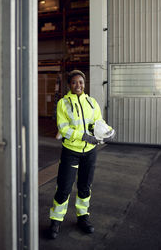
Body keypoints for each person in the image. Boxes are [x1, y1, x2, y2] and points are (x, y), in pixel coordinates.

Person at [49, 70, 114, 239]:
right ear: (69, 85)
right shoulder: (64, 103)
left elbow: (98, 122)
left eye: (81, 82)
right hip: (71, 151)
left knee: (85, 186)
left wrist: (108, 131)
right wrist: (83, 136)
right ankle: (56, 220)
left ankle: (82, 217)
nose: (78, 85)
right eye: (74, 82)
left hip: (90, 152)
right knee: (64, 187)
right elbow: (63, 129)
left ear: (85, 84)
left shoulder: (92, 102)